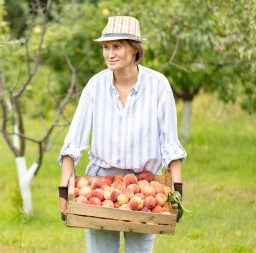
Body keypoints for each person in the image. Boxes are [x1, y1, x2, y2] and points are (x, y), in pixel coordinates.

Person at [57, 16, 187, 253]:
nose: (110, 54)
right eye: (106, 47)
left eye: (117, 46)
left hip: (145, 185)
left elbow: (170, 145)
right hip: (99, 184)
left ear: (134, 49)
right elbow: (74, 141)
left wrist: (177, 191)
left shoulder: (158, 86)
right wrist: (63, 191)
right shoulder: (95, 86)